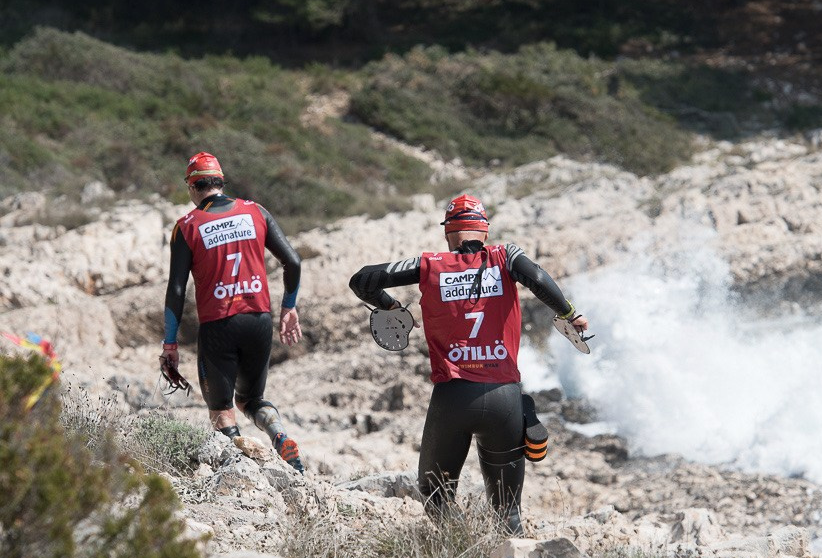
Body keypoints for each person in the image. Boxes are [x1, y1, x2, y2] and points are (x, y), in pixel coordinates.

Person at [349, 194, 589, 534]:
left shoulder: (428, 265)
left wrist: (389, 306)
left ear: (448, 233)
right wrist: (568, 313)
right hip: (504, 396)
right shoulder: (505, 257)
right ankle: (526, 414)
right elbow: (535, 275)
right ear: (485, 231)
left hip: (453, 398)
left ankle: (460, 552)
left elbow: (362, 279)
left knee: (436, 498)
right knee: (508, 518)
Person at [161, 152, 305, 474]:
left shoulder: (187, 226)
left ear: (192, 187)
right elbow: (293, 262)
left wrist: (170, 345)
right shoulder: (256, 211)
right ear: (221, 182)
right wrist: (288, 307)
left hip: (219, 326)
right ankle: (279, 435)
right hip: (258, 320)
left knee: (222, 411)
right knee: (251, 399)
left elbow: (176, 290)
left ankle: (243, 476)